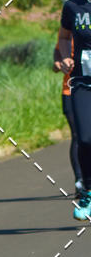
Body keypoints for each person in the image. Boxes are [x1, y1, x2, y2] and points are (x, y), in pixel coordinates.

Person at [57, 0, 91, 220]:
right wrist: (64, 58)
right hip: (81, 82)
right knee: (85, 138)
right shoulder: (73, 6)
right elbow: (64, 37)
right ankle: (87, 193)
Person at [52, 39, 83, 195]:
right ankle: (80, 181)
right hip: (70, 91)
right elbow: (58, 51)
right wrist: (58, 63)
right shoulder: (70, 25)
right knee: (78, 135)